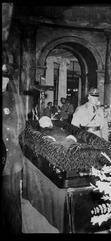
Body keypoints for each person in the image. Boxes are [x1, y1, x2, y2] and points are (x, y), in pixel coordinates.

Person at [2, 63, 26, 233]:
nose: (3, 81)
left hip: (11, 157)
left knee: (12, 200)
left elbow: (22, 124)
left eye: (6, 78)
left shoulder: (13, 98)